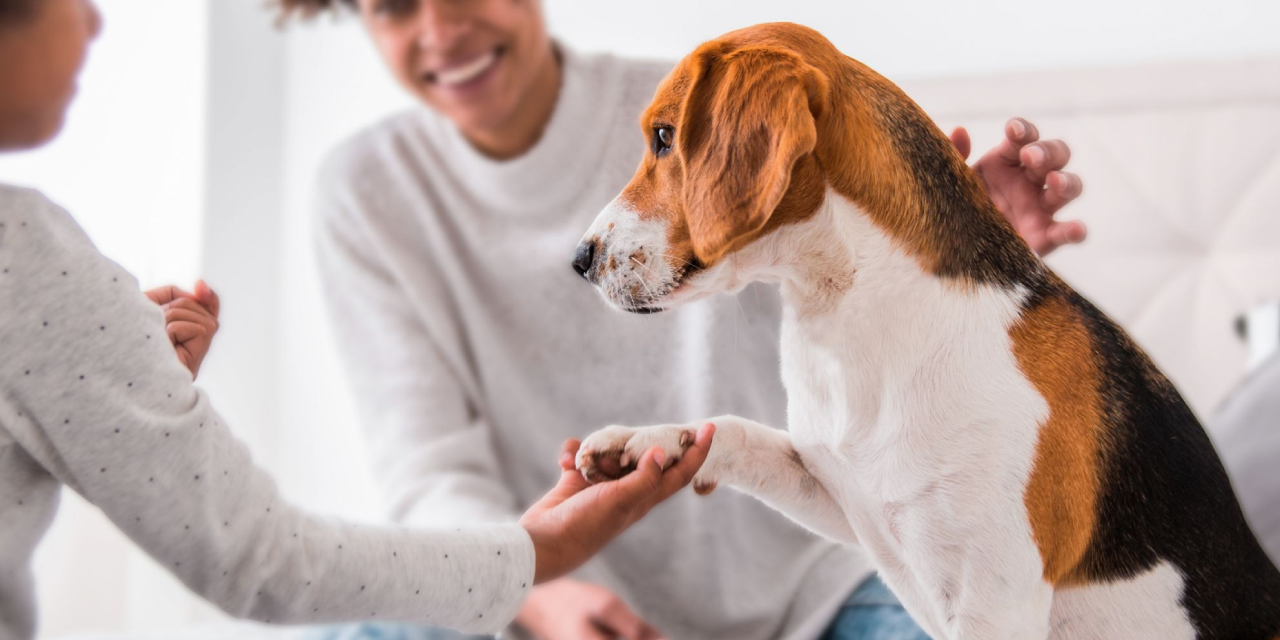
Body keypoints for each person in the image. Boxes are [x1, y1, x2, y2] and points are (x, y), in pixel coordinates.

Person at [282, 1, 1087, 639]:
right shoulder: (363, 192)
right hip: (554, 601)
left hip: (827, 582)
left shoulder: (704, 102)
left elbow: (838, 275)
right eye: (391, 5)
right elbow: (427, 472)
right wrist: (533, 595)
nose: (441, 28)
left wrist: (941, 247)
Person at [0, 1, 713, 638]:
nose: (440, 28)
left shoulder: (713, 114)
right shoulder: (26, 251)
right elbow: (266, 558)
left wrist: (107, 390)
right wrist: (540, 571)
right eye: (396, 6)